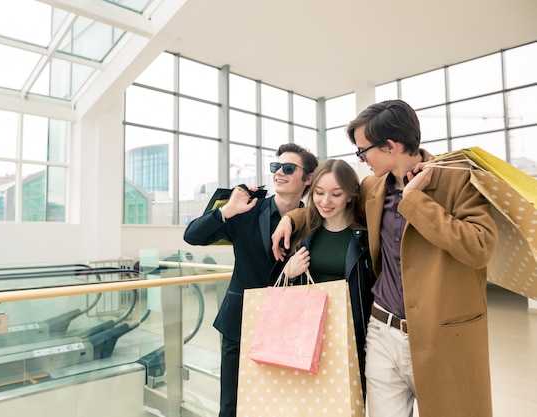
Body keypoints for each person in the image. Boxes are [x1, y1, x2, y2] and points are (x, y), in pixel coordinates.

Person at [271, 100, 498, 417]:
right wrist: (292, 219)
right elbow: (336, 204)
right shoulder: (372, 187)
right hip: (382, 331)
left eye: (363, 150)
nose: (361, 158)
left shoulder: (458, 178)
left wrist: (414, 201)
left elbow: (479, 247)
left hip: (442, 335)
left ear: (391, 146)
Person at [183, 143, 319, 417]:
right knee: (231, 406)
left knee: (277, 403)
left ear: (307, 179)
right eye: (275, 167)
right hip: (240, 322)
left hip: (288, 326)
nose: (279, 172)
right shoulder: (247, 210)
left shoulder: (314, 220)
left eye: (288, 168)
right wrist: (226, 211)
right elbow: (192, 236)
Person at [273, 158, 375, 396]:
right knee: (311, 401)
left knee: (348, 400)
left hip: (350, 335)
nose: (325, 201)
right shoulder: (305, 232)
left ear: (350, 195)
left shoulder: (365, 238)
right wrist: (288, 273)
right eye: (319, 193)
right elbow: (283, 289)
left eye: (336, 194)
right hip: (305, 337)